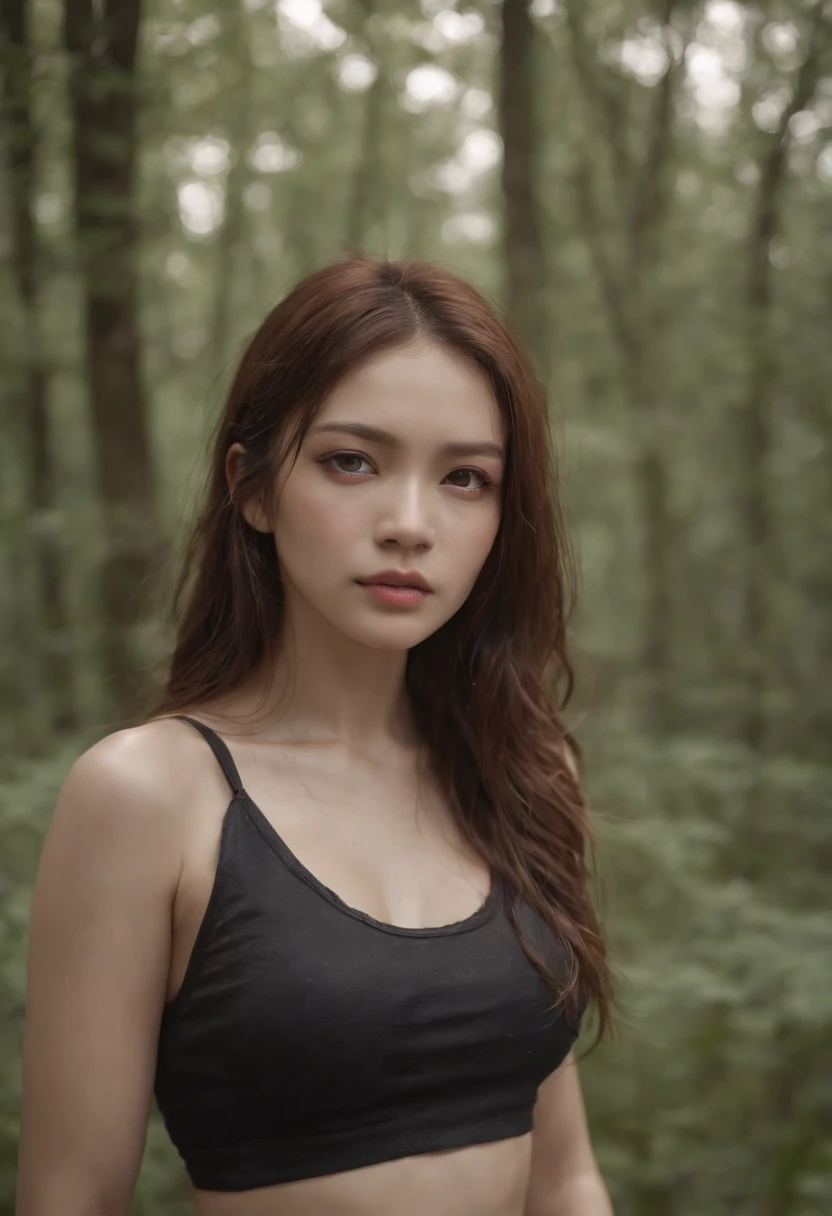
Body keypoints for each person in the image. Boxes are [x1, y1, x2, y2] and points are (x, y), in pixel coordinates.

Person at [16, 255, 615, 1216]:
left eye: (467, 477)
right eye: (352, 460)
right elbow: (69, 1198)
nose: (410, 524)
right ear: (251, 488)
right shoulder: (149, 796)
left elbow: (566, 1174)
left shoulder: (522, 771)